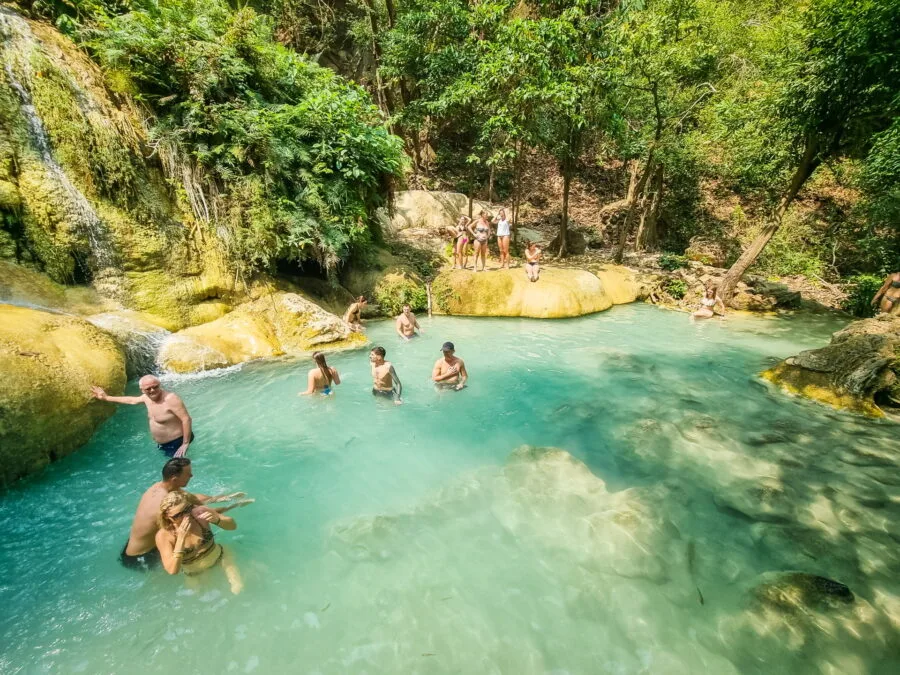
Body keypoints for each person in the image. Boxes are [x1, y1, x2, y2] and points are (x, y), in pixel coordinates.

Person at [120, 457, 251, 571]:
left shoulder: (163, 487)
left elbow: (190, 498)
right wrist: (229, 507)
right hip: (142, 557)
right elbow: (197, 512)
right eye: (188, 474)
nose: (191, 476)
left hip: (139, 544)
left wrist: (218, 498)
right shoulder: (163, 505)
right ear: (174, 479)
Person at [156, 490, 243, 594]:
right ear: (167, 516)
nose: (187, 516)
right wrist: (180, 539)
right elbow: (172, 570)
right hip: (194, 573)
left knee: (238, 590)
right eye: (179, 515)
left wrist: (218, 520)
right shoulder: (164, 536)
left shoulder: (200, 513)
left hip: (221, 558)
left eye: (188, 509)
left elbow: (233, 526)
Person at [92, 375, 193, 457]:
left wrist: (185, 443)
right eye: (148, 389)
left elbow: (186, 419)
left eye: (155, 386)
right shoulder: (146, 398)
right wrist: (106, 397)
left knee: (177, 474)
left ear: (159, 385)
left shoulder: (170, 399)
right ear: (142, 390)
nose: (152, 390)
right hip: (164, 444)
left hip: (177, 442)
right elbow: (132, 400)